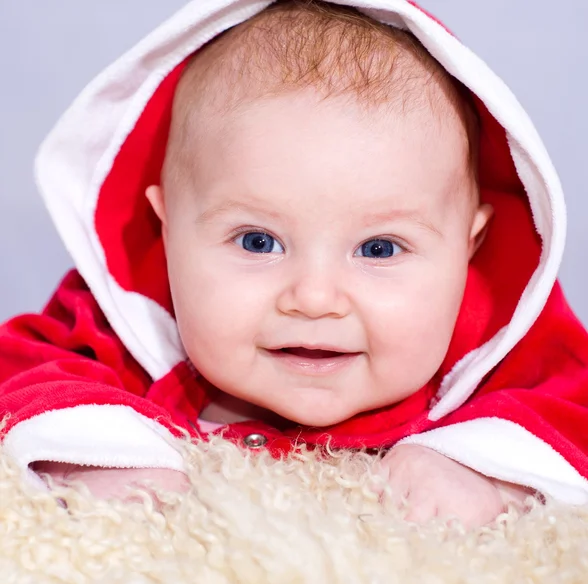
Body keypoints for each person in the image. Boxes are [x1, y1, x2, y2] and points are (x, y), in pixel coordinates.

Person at [2, 0, 587, 528]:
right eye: (258, 242)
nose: (313, 298)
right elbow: (25, 369)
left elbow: (573, 407)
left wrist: (483, 468)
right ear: (168, 229)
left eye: (378, 249)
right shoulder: (126, 335)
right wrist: (95, 452)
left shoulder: (498, 365)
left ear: (467, 249)